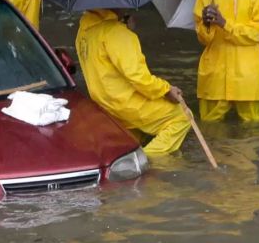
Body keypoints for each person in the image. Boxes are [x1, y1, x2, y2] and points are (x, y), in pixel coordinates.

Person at [75, 9, 191, 156]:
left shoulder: (83, 31)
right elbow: (138, 77)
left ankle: (131, 154)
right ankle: (147, 160)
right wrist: (166, 90)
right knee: (182, 116)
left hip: (105, 104)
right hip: (128, 104)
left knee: (132, 139)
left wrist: (120, 24)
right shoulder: (117, 33)